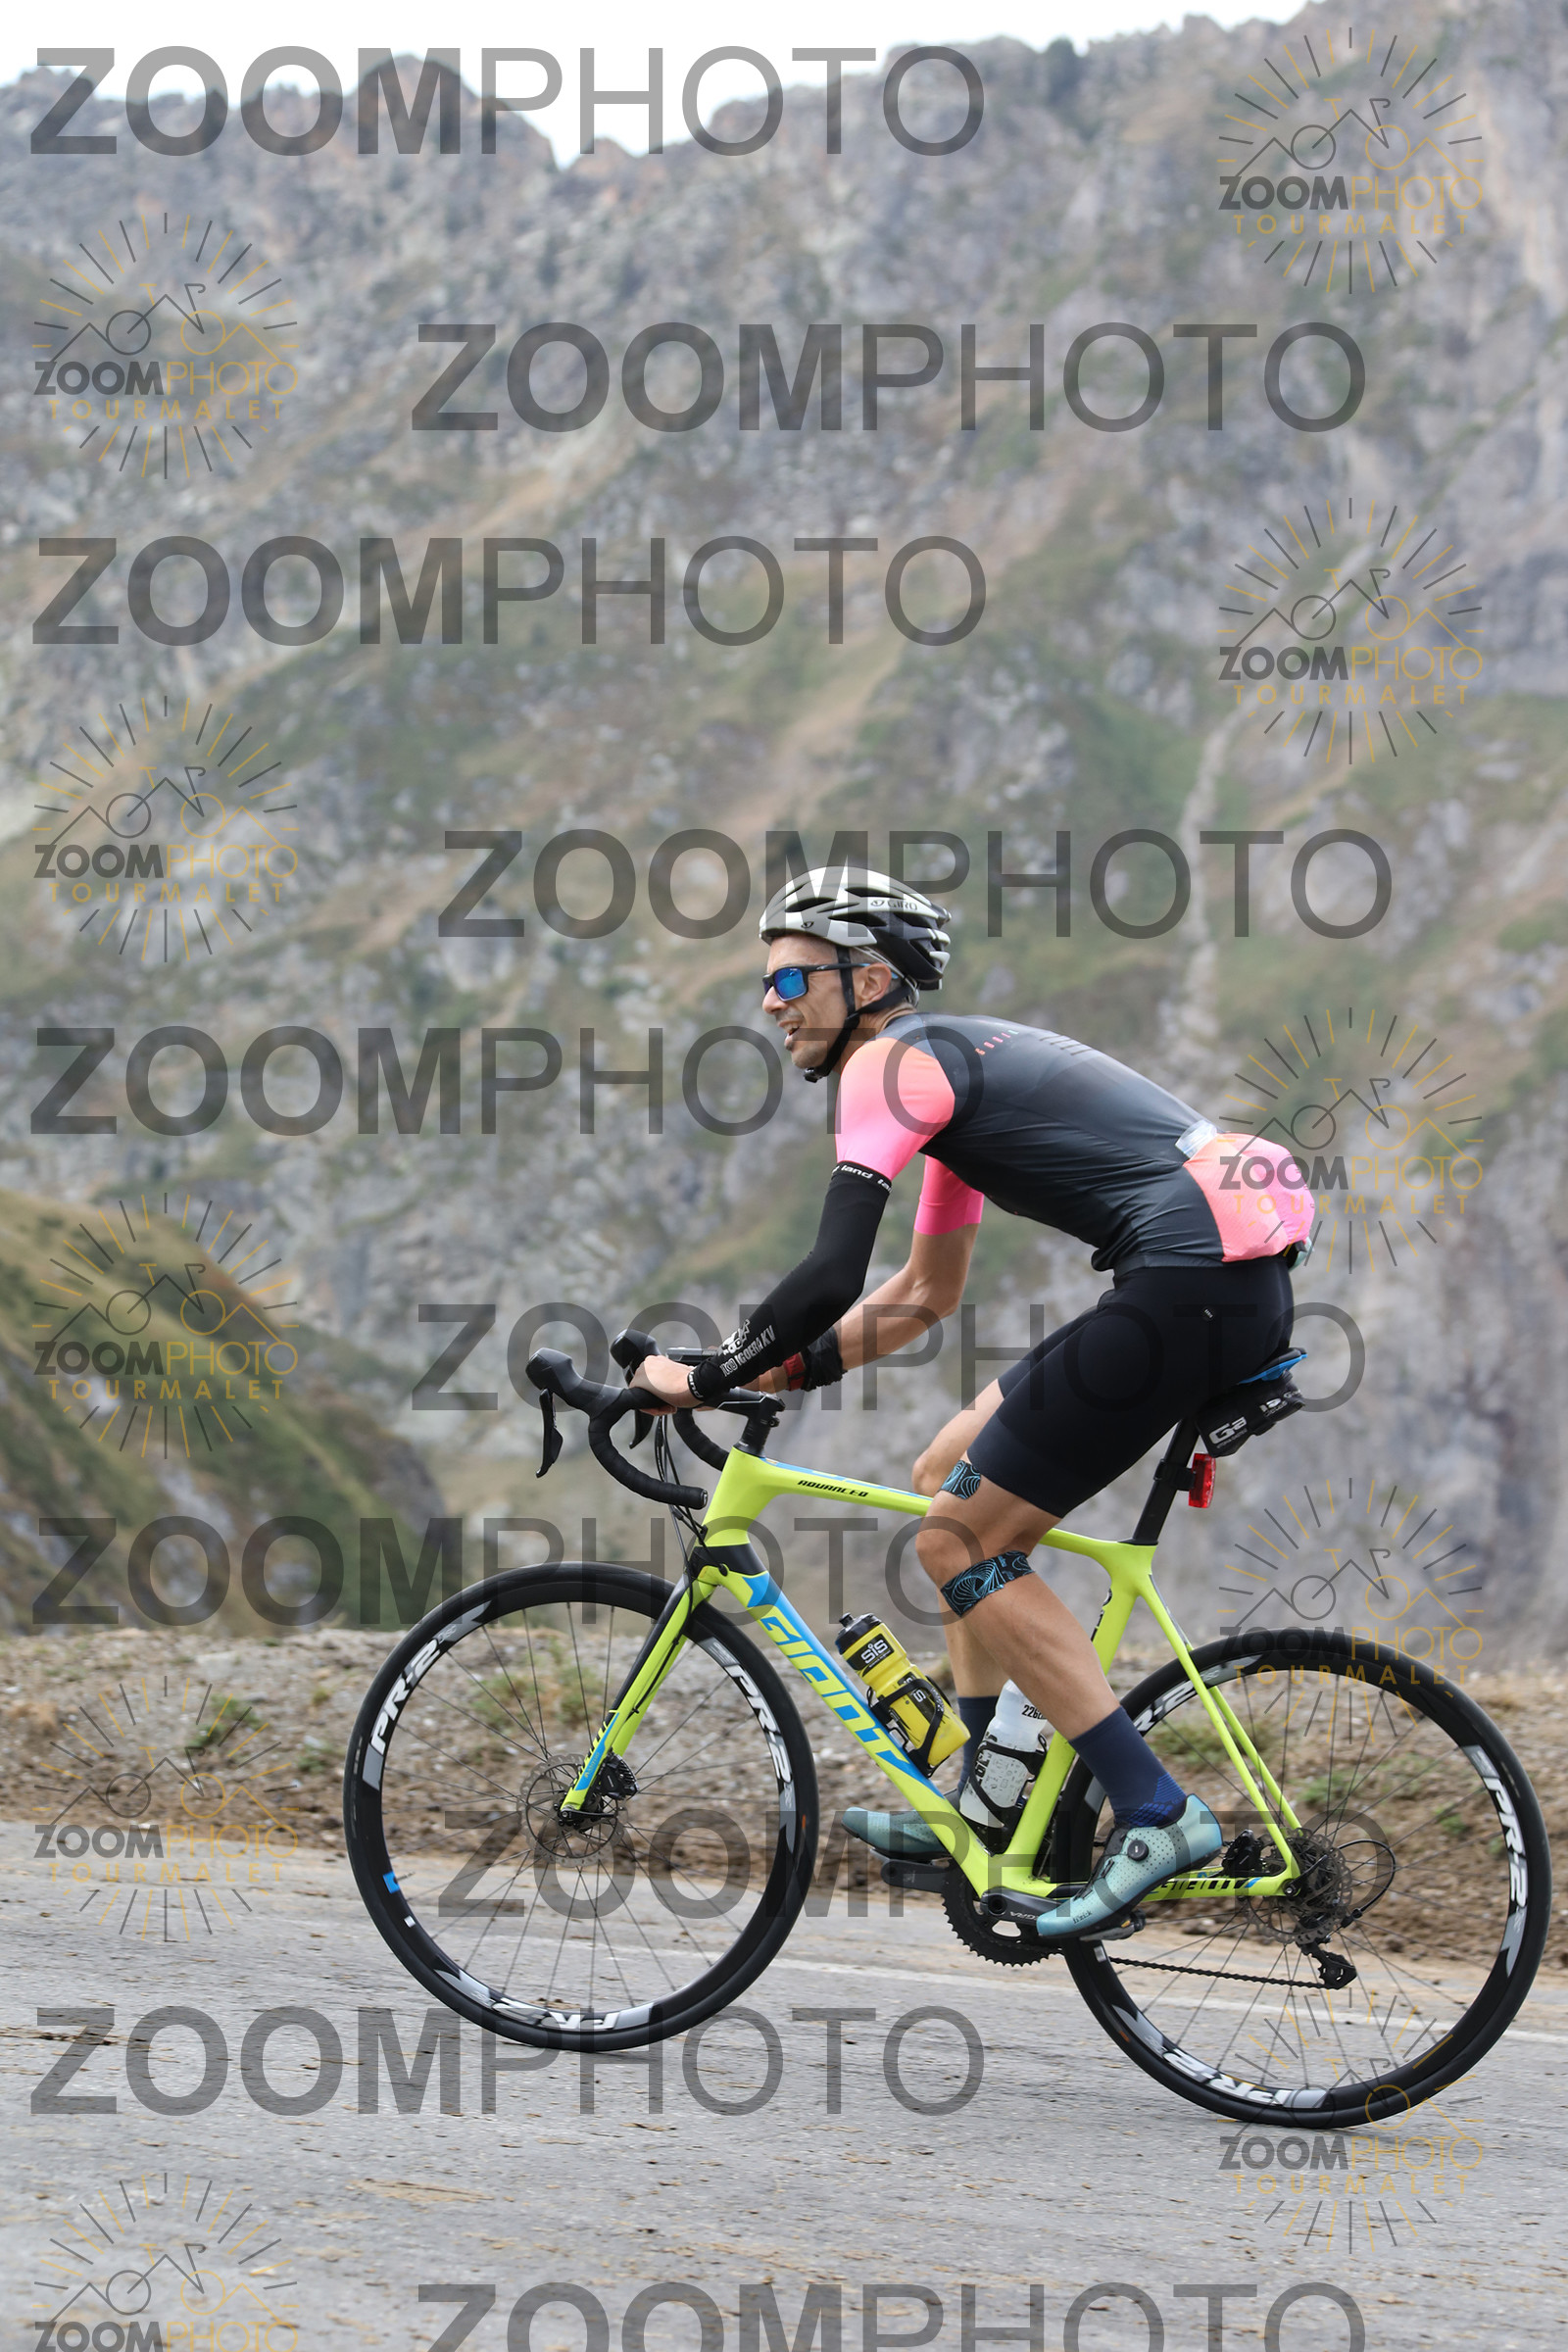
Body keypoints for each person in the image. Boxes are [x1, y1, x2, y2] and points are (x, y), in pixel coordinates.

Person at [631, 867, 1312, 1938]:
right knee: (944, 1470)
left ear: (867, 980)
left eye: (793, 978)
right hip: (1220, 1290)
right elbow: (920, 1296)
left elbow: (829, 1277)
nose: (770, 1002)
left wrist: (705, 1376)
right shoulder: (950, 1075)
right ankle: (992, 1789)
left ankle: (1155, 1811)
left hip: (1187, 1291)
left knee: (957, 1539)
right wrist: (777, 1373)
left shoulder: (888, 1068)